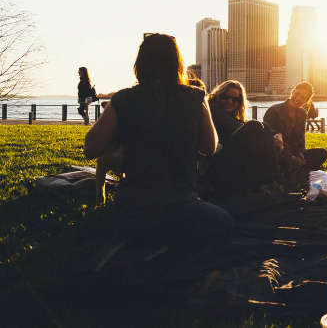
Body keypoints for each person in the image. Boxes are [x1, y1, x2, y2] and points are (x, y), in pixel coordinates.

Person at [84, 33, 233, 249]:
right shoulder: (196, 97)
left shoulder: (123, 99)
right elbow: (209, 147)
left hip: (132, 209)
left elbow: (91, 148)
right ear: (177, 63)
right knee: (225, 223)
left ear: (140, 64)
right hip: (182, 207)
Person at [205, 80, 281, 197]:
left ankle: (270, 179)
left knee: (264, 127)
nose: (230, 102)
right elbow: (238, 128)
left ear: (240, 103)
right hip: (215, 163)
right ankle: (271, 180)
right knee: (255, 126)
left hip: (230, 160)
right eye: (226, 97)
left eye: (235, 100)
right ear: (218, 96)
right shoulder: (213, 110)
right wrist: (267, 136)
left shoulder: (232, 116)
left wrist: (276, 134)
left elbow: (244, 126)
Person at [263, 82, 327, 174]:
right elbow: (272, 140)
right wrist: (291, 157)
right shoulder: (274, 110)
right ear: (292, 92)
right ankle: (293, 165)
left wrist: (300, 154)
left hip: (294, 151)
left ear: (306, 101)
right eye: (297, 94)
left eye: (303, 97)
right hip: (277, 151)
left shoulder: (302, 113)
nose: (298, 98)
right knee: (275, 156)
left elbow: (301, 138)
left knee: (322, 153)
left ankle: (294, 165)